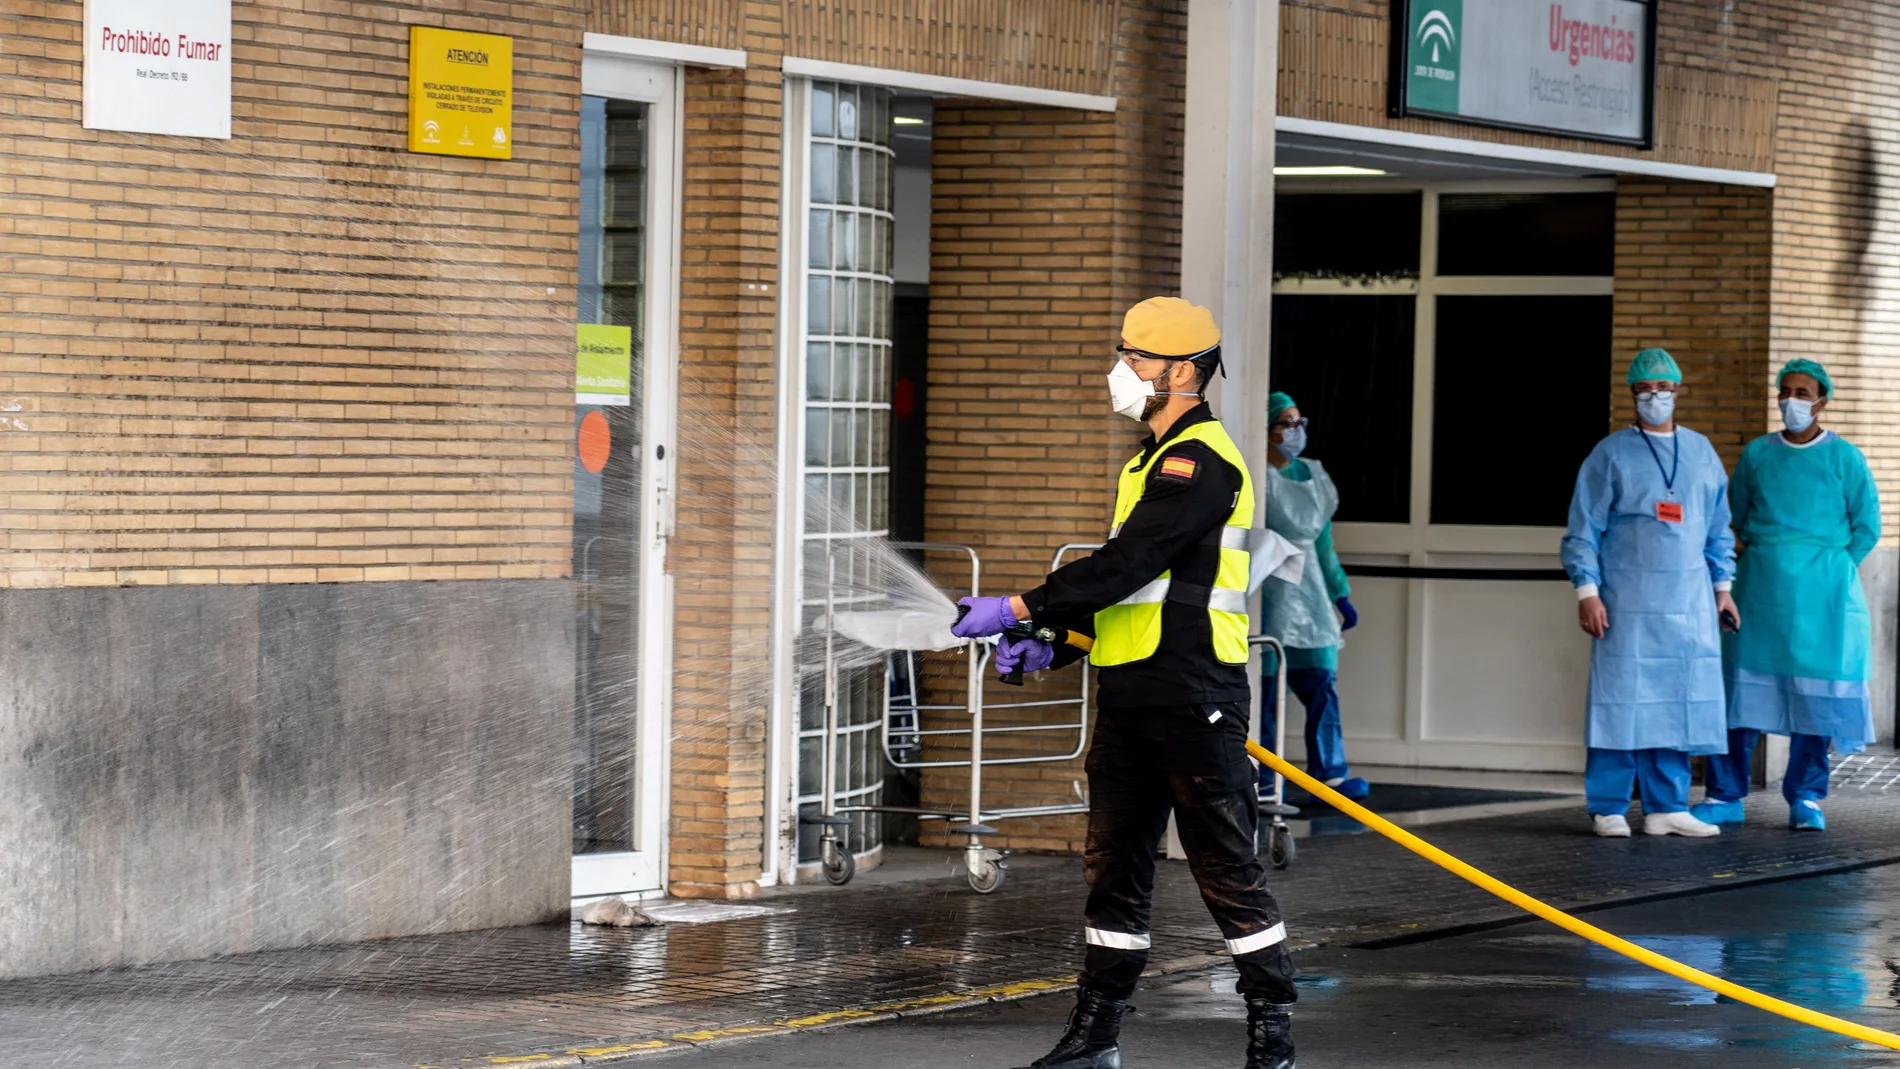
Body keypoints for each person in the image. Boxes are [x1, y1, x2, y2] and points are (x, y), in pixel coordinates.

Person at [950, 296, 1297, 1069]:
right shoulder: (1145, 461)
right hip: (1132, 694)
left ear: (1181, 371)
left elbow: (1130, 564)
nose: (1121, 370)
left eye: (1134, 357)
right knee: (1114, 870)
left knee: (1226, 869)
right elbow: (1135, 595)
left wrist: (1016, 605)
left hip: (1194, 694)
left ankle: (1272, 1035)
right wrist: (1055, 643)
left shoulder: (1199, 462)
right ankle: (1095, 1035)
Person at [1690, 359, 1880, 832]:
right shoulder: (1757, 454)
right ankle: (1725, 794)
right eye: (1786, 391)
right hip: (1762, 588)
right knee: (1742, 694)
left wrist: (1831, 568)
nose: (1792, 400)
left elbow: (1867, 526)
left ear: (1822, 401)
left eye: (1802, 392)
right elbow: (1733, 514)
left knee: (1816, 699)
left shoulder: (1844, 459)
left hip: (1825, 595)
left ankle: (1808, 797)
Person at [1560, 347, 1737, 839]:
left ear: (1678, 391)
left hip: (1688, 602)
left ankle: (1667, 805)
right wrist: (1587, 592)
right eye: (1644, 389)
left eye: (1663, 388)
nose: (1654, 396)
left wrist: (1723, 589)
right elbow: (1583, 530)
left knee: (1677, 700)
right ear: (1632, 394)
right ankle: (1609, 805)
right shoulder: (1610, 454)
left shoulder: (1701, 452)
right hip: (1627, 601)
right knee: (1621, 700)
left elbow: (1718, 529)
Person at [1259, 391, 1365, 801]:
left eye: (1299, 423)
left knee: (1322, 683)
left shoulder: (1315, 476)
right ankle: (1265, 776)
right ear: (1267, 429)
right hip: (1270, 588)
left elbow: (1323, 544)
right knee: (1267, 688)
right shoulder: (1256, 475)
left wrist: (1339, 593)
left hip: (1313, 590)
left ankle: (1331, 774)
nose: (1294, 431)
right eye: (1286, 423)